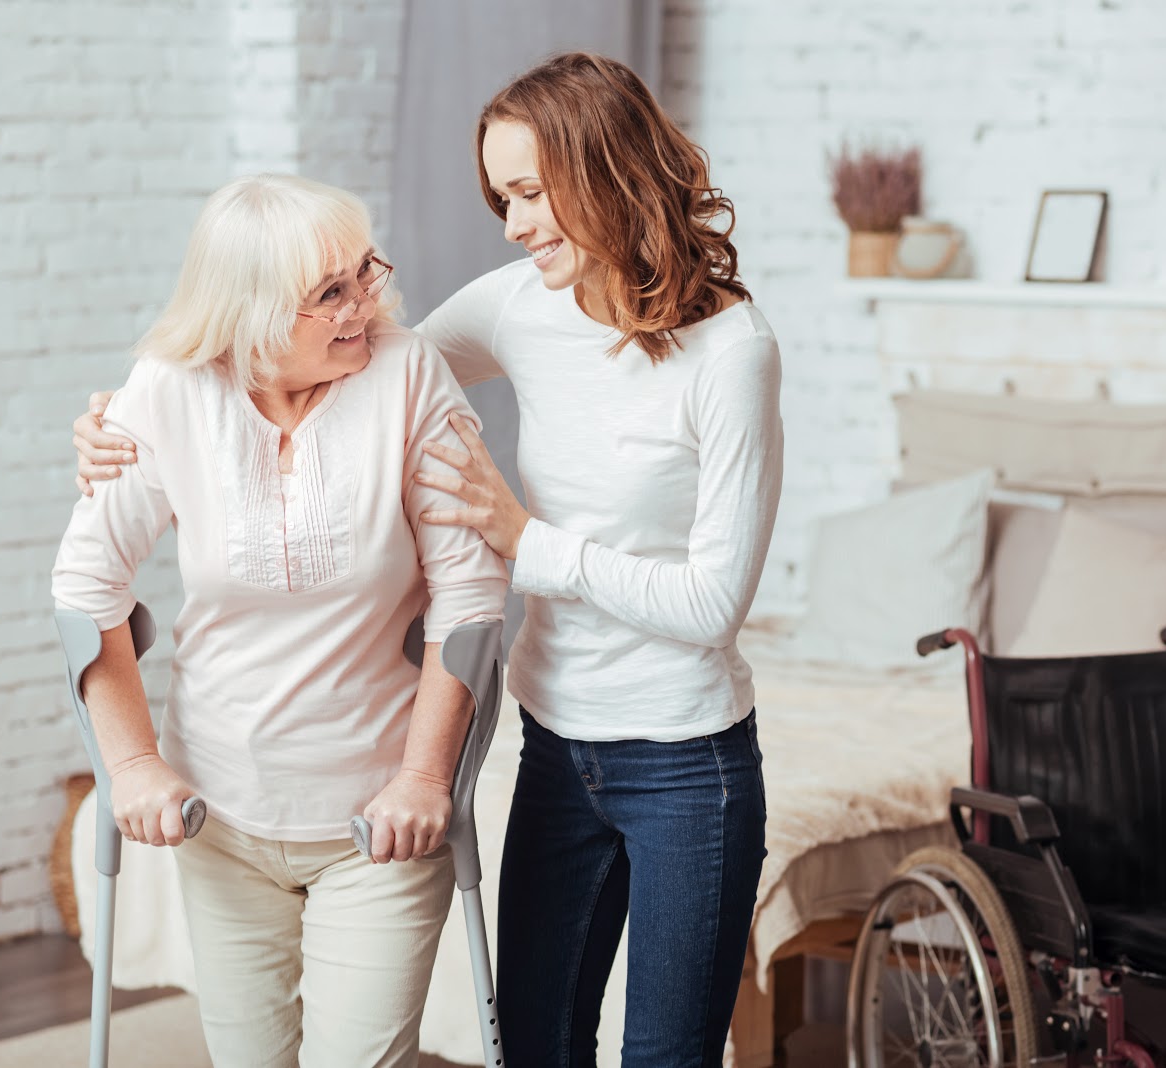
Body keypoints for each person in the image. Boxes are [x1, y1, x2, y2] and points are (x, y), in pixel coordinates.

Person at [71, 52, 782, 1066]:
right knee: (536, 1044)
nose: (514, 224)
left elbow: (712, 603)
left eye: (532, 192)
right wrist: (130, 420)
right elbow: (358, 363)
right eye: (503, 197)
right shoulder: (521, 303)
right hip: (556, 742)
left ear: (607, 171)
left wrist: (525, 542)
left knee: (666, 1055)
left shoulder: (733, 353)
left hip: (685, 758)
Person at [53, 173, 507, 1068]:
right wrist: (134, 764)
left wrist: (425, 778)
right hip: (218, 813)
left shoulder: (408, 374)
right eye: (329, 294)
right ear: (251, 313)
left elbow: (470, 596)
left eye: (363, 275)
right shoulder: (169, 392)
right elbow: (85, 585)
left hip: (377, 820)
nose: (363, 308)